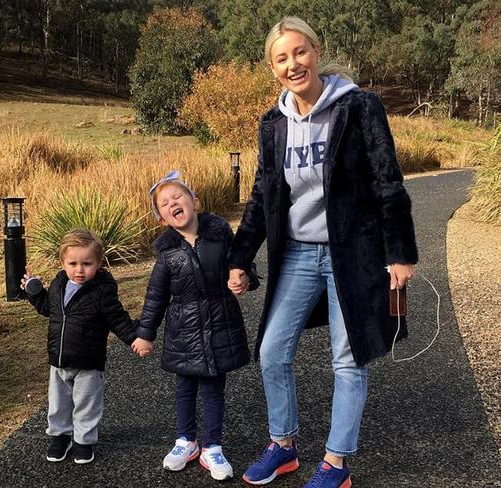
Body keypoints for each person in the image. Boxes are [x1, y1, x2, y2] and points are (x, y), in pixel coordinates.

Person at [226, 16, 418, 488]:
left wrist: (399, 252)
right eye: (281, 58)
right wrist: (239, 256)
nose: (293, 64)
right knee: (272, 351)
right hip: (296, 255)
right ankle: (283, 446)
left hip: (352, 255)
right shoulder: (273, 124)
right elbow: (261, 196)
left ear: (316, 51)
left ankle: (336, 463)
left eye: (300, 52)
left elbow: (387, 182)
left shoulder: (359, 107)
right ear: (272, 68)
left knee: (347, 358)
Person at [131, 171, 258, 481]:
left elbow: (243, 266)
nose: (172, 203)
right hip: (183, 329)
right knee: (185, 388)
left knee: (214, 389)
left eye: (177, 196)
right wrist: (145, 334)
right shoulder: (167, 253)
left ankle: (212, 446)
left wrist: (244, 279)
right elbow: (155, 296)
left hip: (219, 322)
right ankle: (185, 441)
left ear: (195, 202)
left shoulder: (220, 236)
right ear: (162, 218)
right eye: (164, 203)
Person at [21, 229, 146, 465]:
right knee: (58, 404)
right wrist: (35, 293)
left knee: (86, 405)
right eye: (73, 263)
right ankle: (61, 436)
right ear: (63, 263)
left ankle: (84, 441)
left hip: (88, 362)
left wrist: (134, 339)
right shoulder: (59, 284)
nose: (80, 270)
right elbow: (49, 309)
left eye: (87, 263)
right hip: (59, 361)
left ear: (98, 263)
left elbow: (117, 319)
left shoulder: (102, 291)